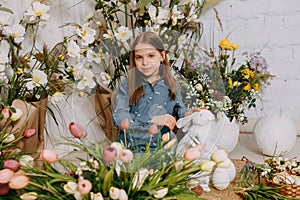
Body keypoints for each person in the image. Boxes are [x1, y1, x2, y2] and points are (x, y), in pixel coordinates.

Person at [112, 31, 201, 153]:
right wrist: (151, 119)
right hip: (131, 145)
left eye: (151, 56)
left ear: (162, 56)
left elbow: (179, 110)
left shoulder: (172, 84)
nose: (145, 62)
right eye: (139, 57)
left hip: (161, 146)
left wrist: (188, 114)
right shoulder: (127, 85)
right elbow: (119, 117)